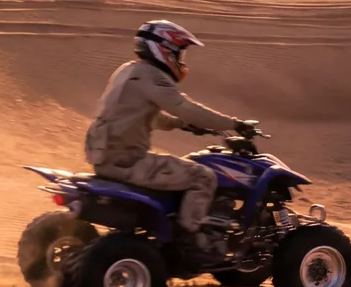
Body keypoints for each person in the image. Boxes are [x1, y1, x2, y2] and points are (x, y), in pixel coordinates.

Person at [83, 20, 254, 252]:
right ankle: (187, 241)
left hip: (104, 158)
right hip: (130, 161)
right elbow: (185, 107)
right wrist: (235, 124)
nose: (180, 60)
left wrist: (181, 125)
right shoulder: (152, 76)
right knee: (203, 176)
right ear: (166, 50)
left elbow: (142, 116)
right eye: (179, 53)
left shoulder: (127, 71)